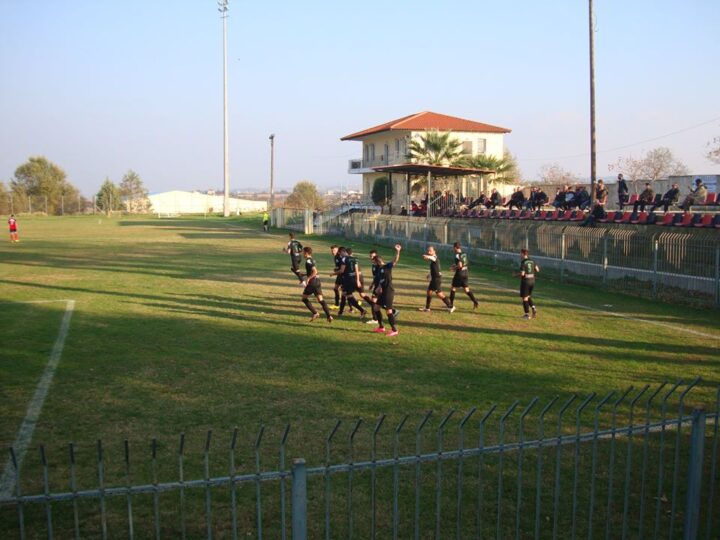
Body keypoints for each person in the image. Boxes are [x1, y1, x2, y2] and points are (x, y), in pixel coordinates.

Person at [372, 244, 402, 336]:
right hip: (383, 292)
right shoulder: (380, 270)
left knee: (388, 311)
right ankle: (381, 327)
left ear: (377, 261)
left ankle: (394, 330)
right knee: (376, 308)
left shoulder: (387, 267)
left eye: (374, 261)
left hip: (389, 291)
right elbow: (381, 281)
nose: (374, 263)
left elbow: (395, 260)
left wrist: (397, 251)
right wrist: (379, 287)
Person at [300, 247, 333, 323]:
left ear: (306, 253)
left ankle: (315, 313)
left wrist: (308, 278)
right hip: (317, 281)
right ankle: (329, 316)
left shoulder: (308, 261)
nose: (302, 254)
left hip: (312, 282)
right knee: (321, 300)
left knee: (304, 298)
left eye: (303, 252)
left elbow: (315, 271)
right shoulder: (312, 259)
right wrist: (305, 274)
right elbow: (313, 271)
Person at [419, 246, 454, 312]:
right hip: (434, 279)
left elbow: (433, 258)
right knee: (429, 292)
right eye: (428, 251)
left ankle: (451, 306)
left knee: (439, 294)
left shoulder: (435, 258)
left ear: (434, 251)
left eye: (430, 251)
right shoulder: (433, 259)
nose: (428, 252)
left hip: (436, 279)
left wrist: (427, 256)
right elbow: (434, 268)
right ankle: (427, 308)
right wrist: (429, 274)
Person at [335, 247, 367, 318]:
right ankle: (340, 312)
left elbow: (342, 271)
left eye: (344, 252)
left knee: (348, 296)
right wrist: (358, 280)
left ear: (346, 252)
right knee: (344, 294)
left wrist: (333, 273)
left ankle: (362, 310)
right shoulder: (355, 259)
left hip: (348, 280)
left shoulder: (344, 259)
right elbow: (357, 271)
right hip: (353, 279)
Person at [450, 242, 479, 310]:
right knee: (466, 290)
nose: (453, 249)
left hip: (460, 274)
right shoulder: (464, 254)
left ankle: (450, 305)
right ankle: (475, 301)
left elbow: (460, 265)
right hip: (465, 273)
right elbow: (464, 264)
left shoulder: (457, 255)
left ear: (455, 248)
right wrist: (456, 265)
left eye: (453, 248)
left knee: (453, 288)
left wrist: (454, 268)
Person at [517, 248, 539, 319]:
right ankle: (533, 307)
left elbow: (522, 274)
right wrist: (531, 273)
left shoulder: (523, 262)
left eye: (520, 253)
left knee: (525, 298)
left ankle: (526, 315)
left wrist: (516, 275)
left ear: (523, 254)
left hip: (526, 281)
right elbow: (537, 270)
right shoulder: (532, 261)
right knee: (528, 296)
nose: (520, 255)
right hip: (532, 281)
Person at [329, 245, 342, 310]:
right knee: (336, 289)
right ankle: (337, 304)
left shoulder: (340, 257)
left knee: (346, 292)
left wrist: (334, 273)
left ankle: (354, 304)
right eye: (332, 251)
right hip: (340, 275)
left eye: (334, 250)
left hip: (343, 276)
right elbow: (339, 267)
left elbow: (343, 268)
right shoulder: (335, 257)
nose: (332, 252)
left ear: (337, 250)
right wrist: (336, 269)